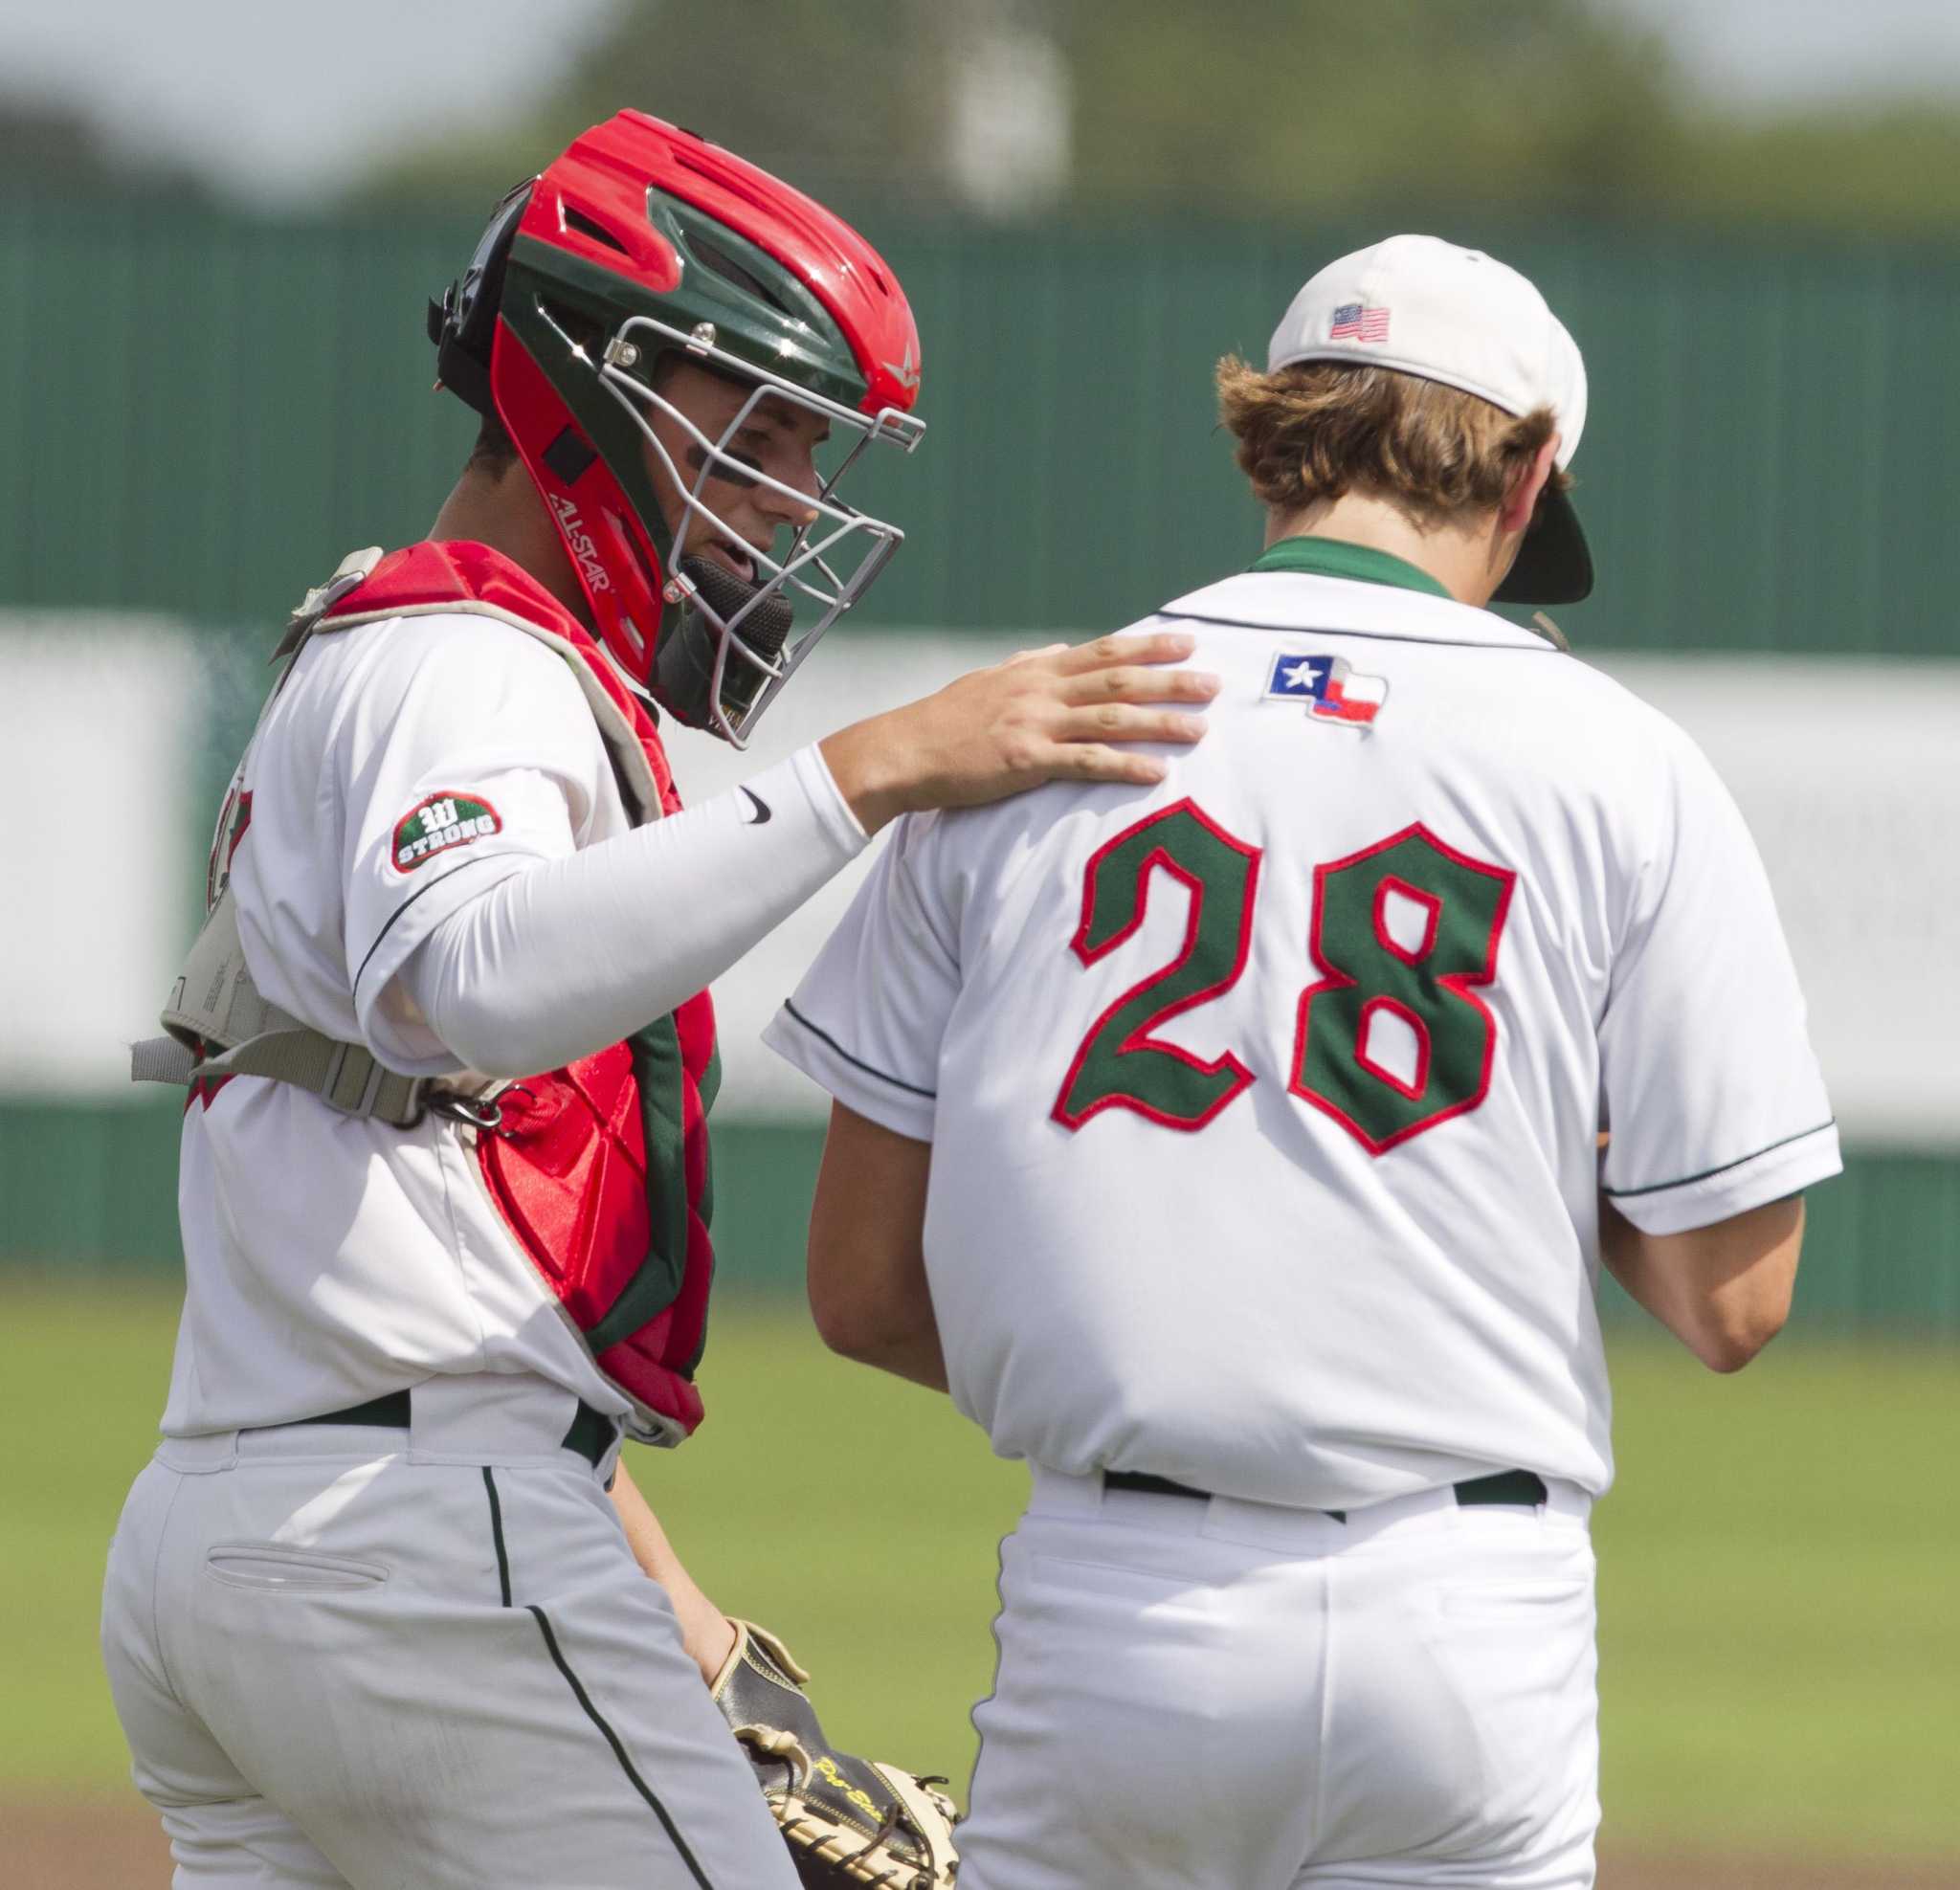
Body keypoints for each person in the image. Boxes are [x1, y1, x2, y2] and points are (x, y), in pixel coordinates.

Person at [101, 110, 1214, 1889]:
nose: (788, 498)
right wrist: (875, 773)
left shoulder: (408, 653)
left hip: (251, 1530)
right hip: (406, 1555)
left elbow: (444, 1283)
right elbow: (468, 984)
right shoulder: (470, 658)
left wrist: (709, 1654)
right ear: (578, 388)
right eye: (755, 432)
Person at [764, 233, 1841, 1889]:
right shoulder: (1620, 764)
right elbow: (1735, 1301)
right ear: (1527, 468)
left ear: (1273, 432)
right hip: (1468, 1618)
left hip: (1123, 1599)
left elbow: (860, 1290)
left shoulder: (1036, 725)